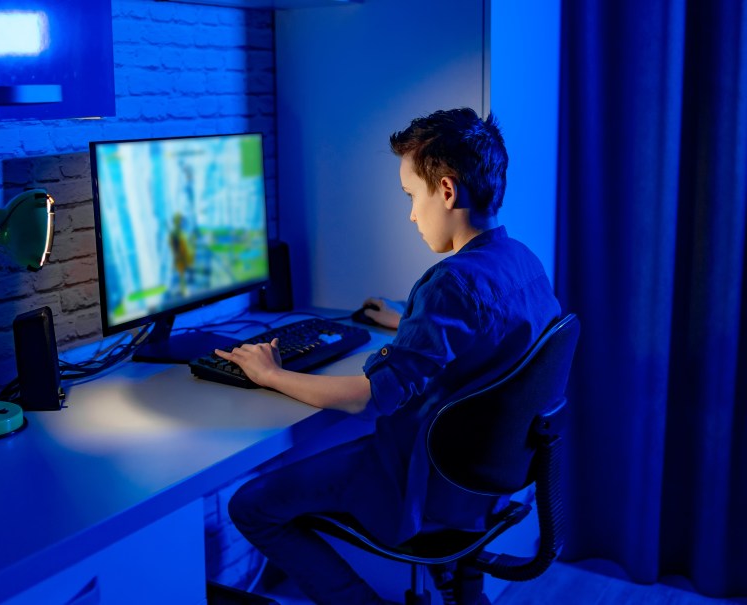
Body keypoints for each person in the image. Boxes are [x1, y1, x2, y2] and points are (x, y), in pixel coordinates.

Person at [215, 108, 562, 605]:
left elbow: (371, 399)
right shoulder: (523, 262)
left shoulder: (451, 282)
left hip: (421, 485)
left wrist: (271, 373)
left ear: (445, 191)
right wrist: (408, 322)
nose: (411, 215)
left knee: (250, 505)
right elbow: (493, 337)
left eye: (411, 197)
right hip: (486, 484)